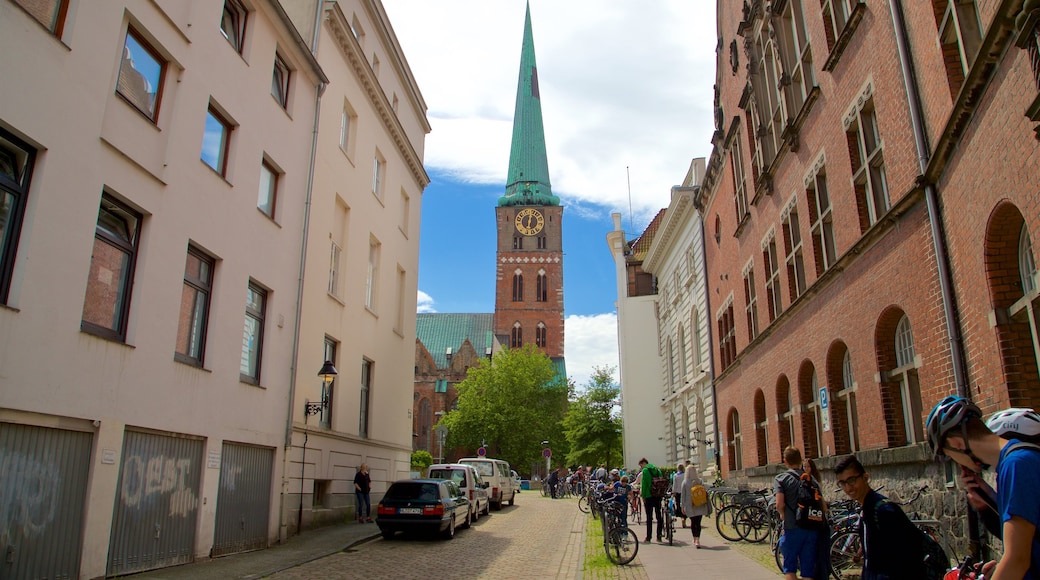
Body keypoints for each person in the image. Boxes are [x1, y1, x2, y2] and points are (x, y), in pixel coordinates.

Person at [926, 396, 1040, 579]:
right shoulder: (1012, 462)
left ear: (957, 444)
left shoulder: (1017, 464)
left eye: (950, 455)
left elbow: (1017, 560)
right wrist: (989, 501)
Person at [833, 455, 925, 579]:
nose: (848, 488)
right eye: (843, 483)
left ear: (865, 478)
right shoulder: (867, 509)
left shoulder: (883, 511)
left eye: (852, 480)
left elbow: (904, 556)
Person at [774, 446, 820, 580]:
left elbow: (779, 504)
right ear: (800, 460)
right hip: (811, 527)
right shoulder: (811, 479)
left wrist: (782, 514)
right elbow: (822, 505)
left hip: (791, 527)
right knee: (807, 570)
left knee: (789, 567)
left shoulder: (781, 479)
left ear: (785, 461)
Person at [680, 464, 711, 548]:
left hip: (690, 506)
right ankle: (698, 539)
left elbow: (683, 495)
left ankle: (695, 538)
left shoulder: (685, 482)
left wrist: (682, 506)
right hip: (700, 504)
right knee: (698, 523)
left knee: (693, 523)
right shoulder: (700, 481)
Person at [638, 457, 665, 543]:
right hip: (657, 495)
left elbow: (644, 485)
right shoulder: (657, 470)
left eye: (641, 465)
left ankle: (649, 537)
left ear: (643, 463)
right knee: (659, 516)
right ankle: (659, 536)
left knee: (649, 517)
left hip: (649, 496)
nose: (641, 467)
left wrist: (643, 496)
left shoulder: (645, 471)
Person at [672, 462, 687, 528]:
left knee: (679, 505)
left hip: (678, 493)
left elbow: (674, 485)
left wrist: (673, 492)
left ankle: (681, 517)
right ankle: (684, 518)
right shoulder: (685, 475)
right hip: (685, 493)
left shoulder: (676, 475)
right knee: (685, 505)